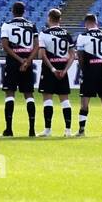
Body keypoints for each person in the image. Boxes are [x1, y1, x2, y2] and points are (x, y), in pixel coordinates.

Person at [0, 1, 38, 137]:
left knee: (10, 94)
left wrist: (19, 59)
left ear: (12, 11)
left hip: (12, 63)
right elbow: (37, 46)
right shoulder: (31, 26)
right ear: (24, 11)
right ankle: (32, 130)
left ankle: (9, 129)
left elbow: (5, 46)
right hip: (27, 64)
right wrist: (27, 60)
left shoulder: (7, 25)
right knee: (29, 95)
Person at [37, 8, 74, 137]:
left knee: (47, 99)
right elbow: (72, 55)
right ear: (60, 19)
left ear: (49, 18)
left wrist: (52, 69)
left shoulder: (44, 34)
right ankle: (68, 130)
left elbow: (41, 54)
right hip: (63, 69)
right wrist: (64, 70)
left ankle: (48, 130)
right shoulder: (67, 34)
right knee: (65, 100)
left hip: (49, 70)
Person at [76, 14, 102, 136]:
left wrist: (83, 70)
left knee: (85, 102)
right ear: (96, 22)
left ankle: (81, 131)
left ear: (86, 23)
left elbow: (80, 56)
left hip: (89, 72)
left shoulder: (83, 36)